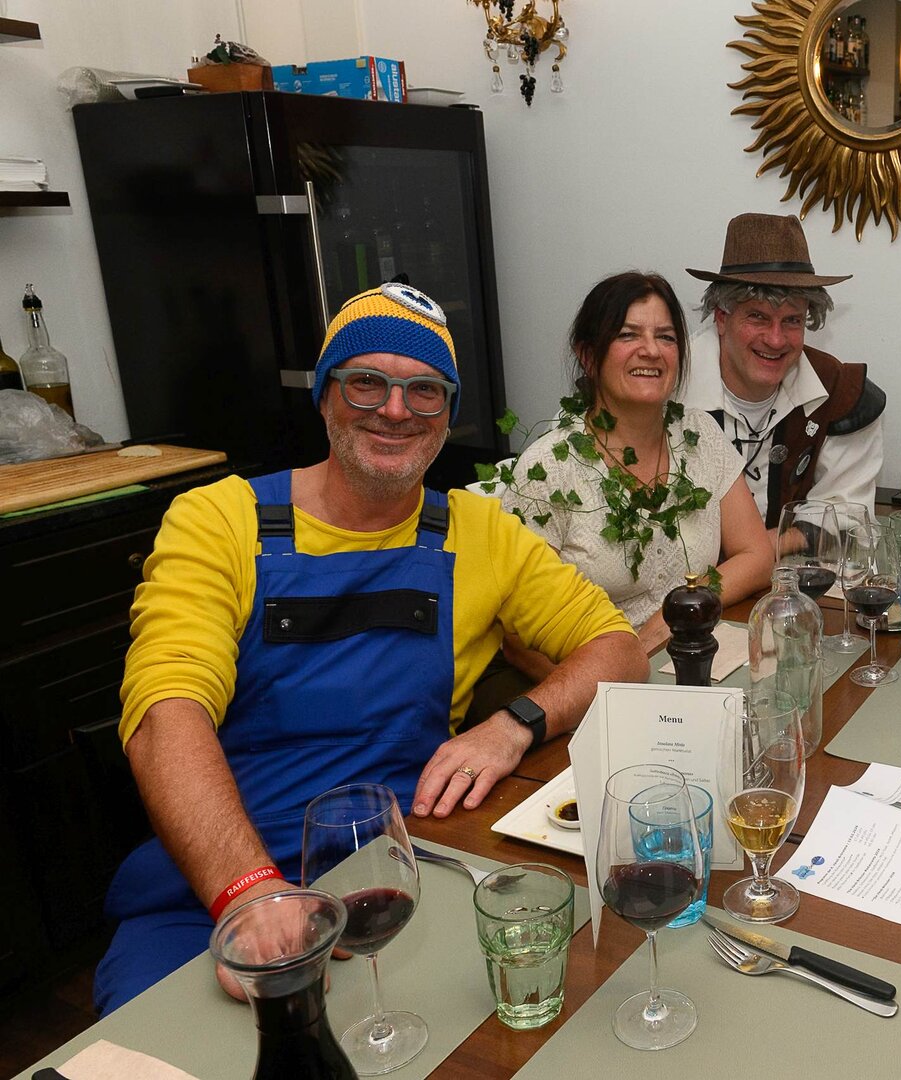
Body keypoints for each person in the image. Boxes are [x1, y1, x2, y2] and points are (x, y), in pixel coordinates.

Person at [96, 283, 645, 1013]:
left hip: (395, 870)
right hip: (212, 883)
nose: (395, 409)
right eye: (367, 382)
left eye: (425, 391)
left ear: (447, 415)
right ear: (325, 396)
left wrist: (513, 726)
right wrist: (250, 893)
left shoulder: (478, 531)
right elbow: (164, 715)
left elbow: (618, 648)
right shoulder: (219, 520)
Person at [501, 271, 773, 643]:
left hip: (693, 653)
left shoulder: (699, 435)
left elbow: (757, 555)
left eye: (666, 337)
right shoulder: (547, 470)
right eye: (628, 335)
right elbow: (517, 637)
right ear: (588, 355)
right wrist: (623, 663)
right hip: (594, 669)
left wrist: (683, 608)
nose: (651, 350)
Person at [680, 212, 885, 527]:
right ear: (721, 318)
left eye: (792, 320)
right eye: (758, 317)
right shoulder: (670, 386)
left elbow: (846, 512)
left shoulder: (839, 391)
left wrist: (764, 549)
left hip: (795, 560)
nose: (775, 340)